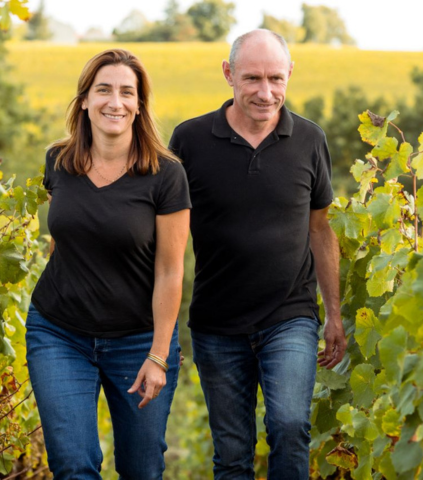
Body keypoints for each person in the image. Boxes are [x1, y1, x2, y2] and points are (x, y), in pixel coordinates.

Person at [169, 29, 346, 480]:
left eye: (275, 78)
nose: (265, 93)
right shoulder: (189, 141)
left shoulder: (309, 139)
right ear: (228, 74)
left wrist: (335, 315)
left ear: (289, 75)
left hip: (290, 316)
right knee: (232, 453)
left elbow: (321, 229)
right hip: (216, 324)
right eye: (252, 79)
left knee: (290, 426)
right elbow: (164, 234)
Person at [25, 49, 191, 480]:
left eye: (126, 92)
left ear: (139, 104)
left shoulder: (166, 175)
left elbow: (171, 271)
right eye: (103, 90)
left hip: (138, 342)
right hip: (58, 332)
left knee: (141, 470)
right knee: (74, 465)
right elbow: (64, 241)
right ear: (84, 100)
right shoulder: (58, 161)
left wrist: (158, 354)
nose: (114, 102)